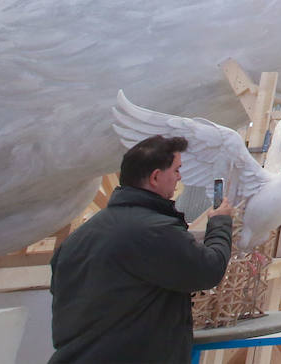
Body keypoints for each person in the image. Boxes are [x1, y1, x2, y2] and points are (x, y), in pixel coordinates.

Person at [49, 134, 235, 363]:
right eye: (176, 170)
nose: (180, 177)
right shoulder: (153, 231)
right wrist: (220, 223)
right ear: (156, 177)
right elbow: (209, 269)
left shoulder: (79, 238)